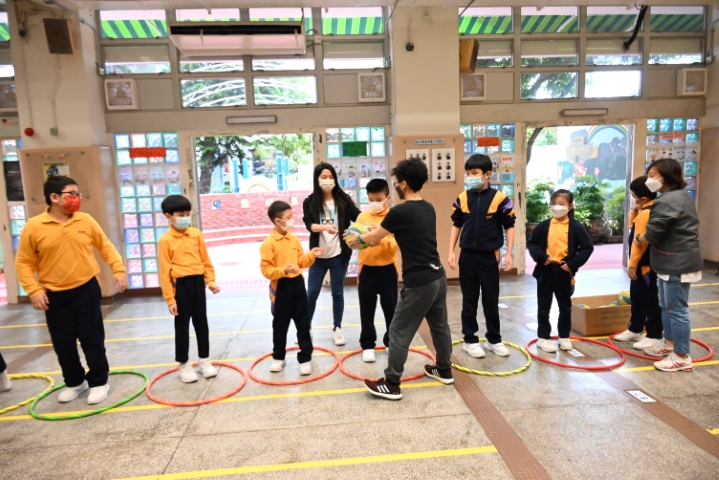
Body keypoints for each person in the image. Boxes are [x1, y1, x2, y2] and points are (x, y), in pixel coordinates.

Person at [348, 158, 454, 401]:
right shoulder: (428, 207)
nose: (396, 186)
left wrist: (356, 238)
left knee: (398, 330)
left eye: (396, 183)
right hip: (438, 277)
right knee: (439, 326)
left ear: (404, 183)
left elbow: (374, 238)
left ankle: (392, 383)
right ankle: (444, 368)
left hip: (420, 282)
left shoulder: (399, 212)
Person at [15, 176, 127, 405]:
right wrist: (33, 290)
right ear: (54, 197)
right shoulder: (34, 226)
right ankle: (75, 382)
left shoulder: (85, 220)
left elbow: (105, 247)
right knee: (63, 343)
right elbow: (23, 262)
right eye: (71, 194)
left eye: (78, 194)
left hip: (87, 289)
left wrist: (118, 270)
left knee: (92, 339)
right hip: (55, 295)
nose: (76, 198)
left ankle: (99, 382)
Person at [634, 158, 703, 372]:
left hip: (677, 263)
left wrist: (639, 238)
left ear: (666, 177)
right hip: (668, 262)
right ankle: (669, 344)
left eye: (652, 175)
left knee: (677, 310)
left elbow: (653, 233)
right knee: (666, 306)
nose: (649, 180)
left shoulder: (668, 200)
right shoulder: (679, 196)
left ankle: (682, 356)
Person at [448, 154, 515, 359]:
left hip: (490, 258)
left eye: (474, 173)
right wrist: (450, 250)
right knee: (469, 300)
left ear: (487, 174)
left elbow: (509, 226)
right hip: (467, 257)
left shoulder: (500, 199)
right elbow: (456, 224)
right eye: (468, 173)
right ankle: (470, 340)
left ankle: (494, 339)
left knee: (490, 300)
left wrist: (509, 253)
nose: (471, 177)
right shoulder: (462, 198)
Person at [159, 195, 221, 383]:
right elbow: (164, 271)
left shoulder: (196, 234)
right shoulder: (165, 240)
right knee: (182, 326)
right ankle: (184, 364)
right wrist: (170, 299)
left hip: (197, 283)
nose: (185, 218)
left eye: (187, 214)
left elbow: (205, 260)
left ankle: (204, 361)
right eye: (181, 215)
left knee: (201, 323)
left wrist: (210, 281)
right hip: (180, 286)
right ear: (169, 216)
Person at [527, 189, 594, 352]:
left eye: (561, 204)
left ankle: (564, 337)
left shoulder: (576, 227)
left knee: (565, 306)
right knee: (543, 306)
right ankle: (543, 338)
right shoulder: (544, 225)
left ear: (570, 206)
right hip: (545, 270)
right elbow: (532, 243)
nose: (557, 207)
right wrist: (541, 256)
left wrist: (573, 263)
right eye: (554, 204)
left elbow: (587, 247)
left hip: (563, 271)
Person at [261, 201, 322, 375]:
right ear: (278, 221)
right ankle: (278, 357)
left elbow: (300, 262)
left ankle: (305, 358)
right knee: (280, 325)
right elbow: (266, 271)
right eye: (288, 217)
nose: (292, 220)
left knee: (303, 322)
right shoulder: (268, 244)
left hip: (298, 285)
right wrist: (284, 270)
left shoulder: (293, 238)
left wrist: (312, 254)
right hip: (281, 287)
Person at [303, 163, 361, 346]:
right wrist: (325, 228)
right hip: (317, 256)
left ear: (335, 179)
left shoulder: (343, 199)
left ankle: (337, 328)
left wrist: (373, 219)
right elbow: (309, 225)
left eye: (330, 177)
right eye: (323, 177)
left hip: (339, 255)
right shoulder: (310, 201)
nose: (328, 180)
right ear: (317, 179)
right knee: (311, 293)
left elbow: (358, 216)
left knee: (337, 293)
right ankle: (306, 328)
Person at [614, 176, 662, 350]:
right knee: (637, 297)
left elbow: (638, 242)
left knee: (650, 300)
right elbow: (633, 227)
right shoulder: (648, 209)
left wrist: (632, 265)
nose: (632, 199)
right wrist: (634, 211)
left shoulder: (647, 213)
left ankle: (654, 334)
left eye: (634, 196)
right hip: (643, 265)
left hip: (646, 266)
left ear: (643, 198)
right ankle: (635, 328)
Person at [355, 179, 399, 363]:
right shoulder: (362, 217)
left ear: (387, 198)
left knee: (391, 309)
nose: (375, 203)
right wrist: (353, 240)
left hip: (388, 270)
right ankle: (367, 345)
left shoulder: (394, 217)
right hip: (366, 269)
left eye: (378, 199)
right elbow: (356, 241)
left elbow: (397, 244)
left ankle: (390, 343)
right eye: (371, 199)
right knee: (366, 309)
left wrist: (380, 238)